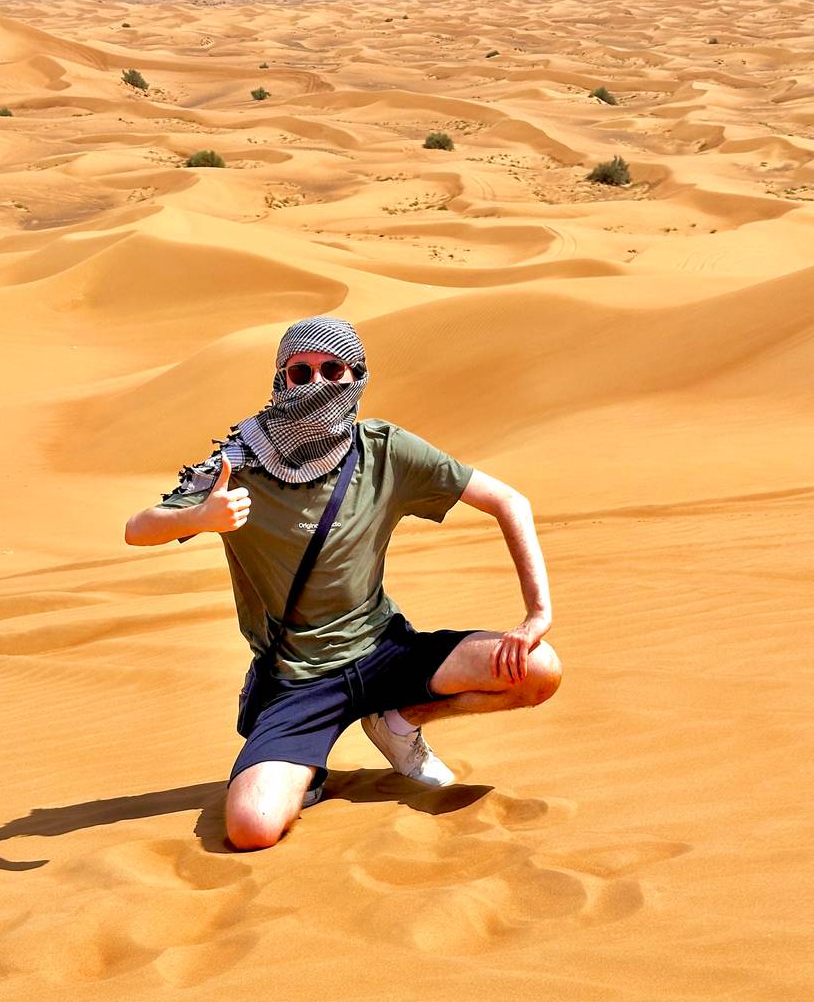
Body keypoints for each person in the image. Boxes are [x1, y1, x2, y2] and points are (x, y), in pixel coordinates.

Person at [125, 316, 561, 851]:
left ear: (356, 377)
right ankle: (307, 769)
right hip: (299, 679)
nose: (316, 384)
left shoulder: (385, 450)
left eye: (332, 371)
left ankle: (398, 722)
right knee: (252, 827)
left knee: (537, 670)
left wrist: (537, 614)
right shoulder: (239, 465)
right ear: (281, 380)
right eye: (300, 372)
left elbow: (509, 501)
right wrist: (199, 517)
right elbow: (137, 529)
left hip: (385, 652)